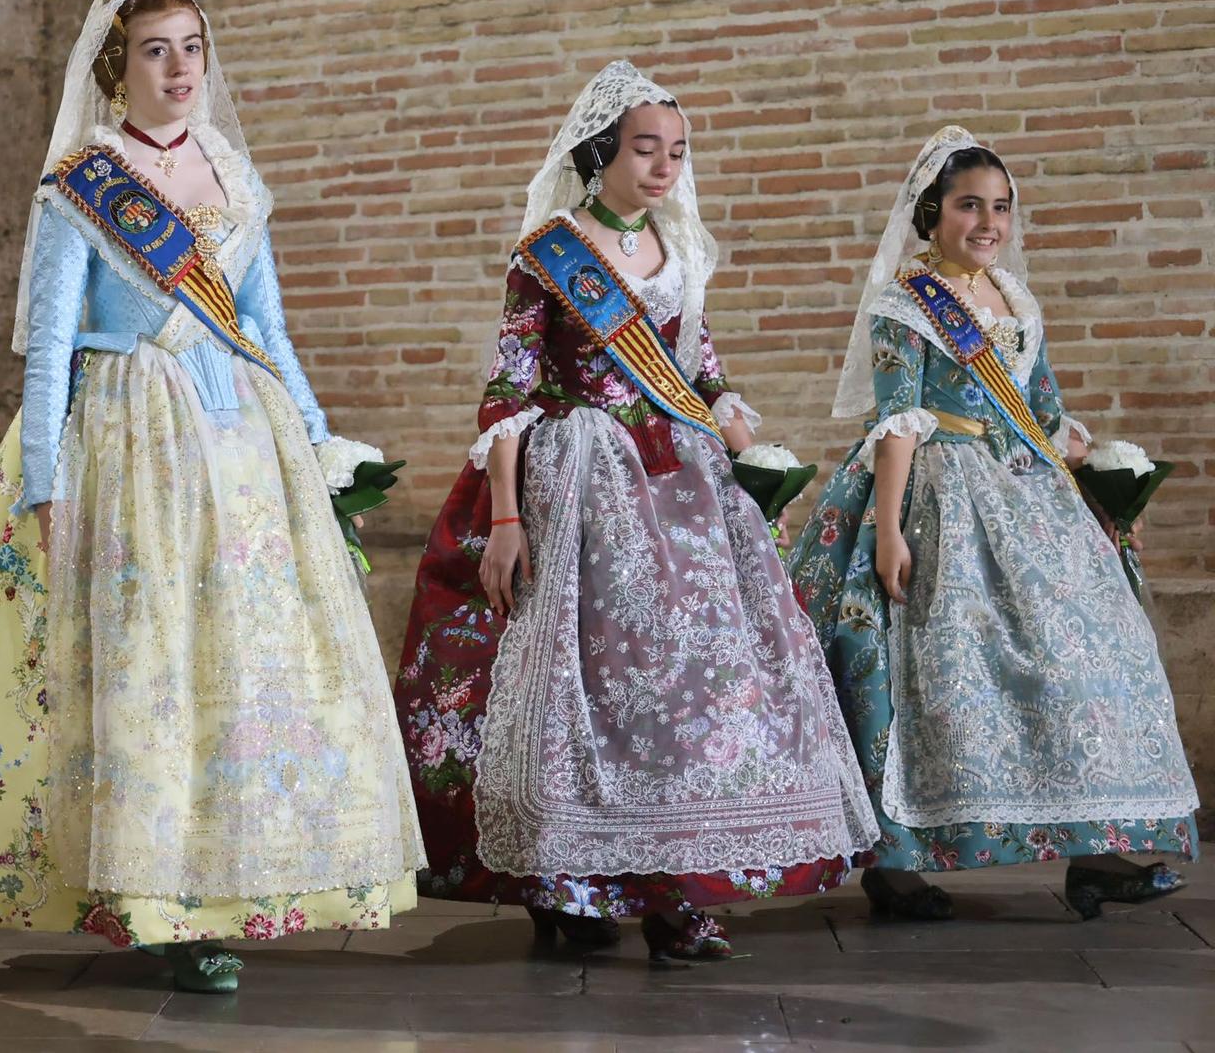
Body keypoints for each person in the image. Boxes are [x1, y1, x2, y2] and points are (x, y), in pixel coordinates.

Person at [0, 0, 422, 993]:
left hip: (240, 446)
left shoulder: (233, 175)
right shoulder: (79, 186)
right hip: (130, 435)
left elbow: (267, 327)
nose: (179, 68)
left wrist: (318, 445)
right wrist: (44, 484)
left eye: (191, 48)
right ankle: (152, 898)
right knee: (148, 666)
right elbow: (48, 347)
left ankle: (228, 881)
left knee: (240, 666)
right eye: (154, 51)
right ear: (113, 67)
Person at [392, 59, 875, 961]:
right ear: (600, 152)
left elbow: (703, 373)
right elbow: (509, 391)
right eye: (647, 148)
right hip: (578, 477)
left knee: (692, 683)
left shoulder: (682, 252)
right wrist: (504, 518)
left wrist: (742, 444)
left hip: (680, 481)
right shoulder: (550, 252)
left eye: (678, 151)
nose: (665, 166)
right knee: (588, 685)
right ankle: (566, 882)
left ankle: (676, 890)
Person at [786, 125, 1198, 921]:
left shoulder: (1014, 297)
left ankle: (1095, 853)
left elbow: (1043, 409)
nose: (988, 222)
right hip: (936, 492)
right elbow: (899, 418)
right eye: (969, 205)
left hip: (1025, 494)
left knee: (1085, 659)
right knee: (930, 676)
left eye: (1001, 207)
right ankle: (895, 865)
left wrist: (1097, 490)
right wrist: (891, 527)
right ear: (932, 212)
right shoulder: (906, 304)